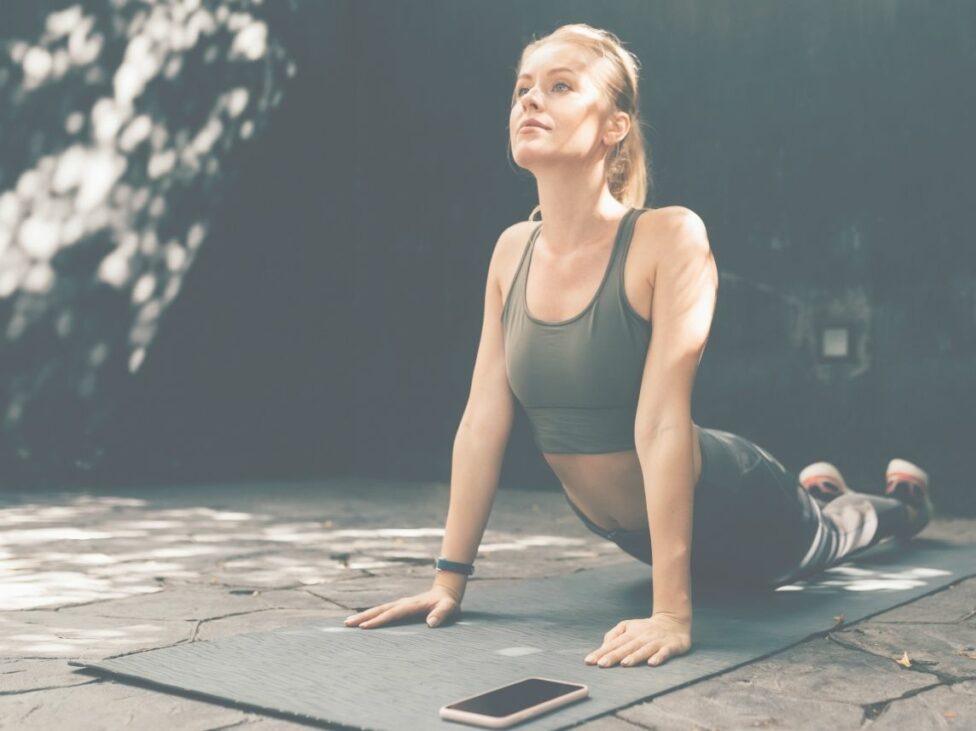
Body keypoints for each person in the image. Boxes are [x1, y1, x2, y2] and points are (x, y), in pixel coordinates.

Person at [343, 23, 934, 669]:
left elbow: (659, 423)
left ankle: (901, 506)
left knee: (834, 539)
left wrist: (672, 615)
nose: (529, 100)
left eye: (560, 86)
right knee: (792, 536)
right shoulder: (511, 251)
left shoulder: (668, 237)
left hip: (733, 505)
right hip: (636, 532)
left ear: (615, 126)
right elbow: (482, 420)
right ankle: (820, 491)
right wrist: (447, 581)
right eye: (522, 89)